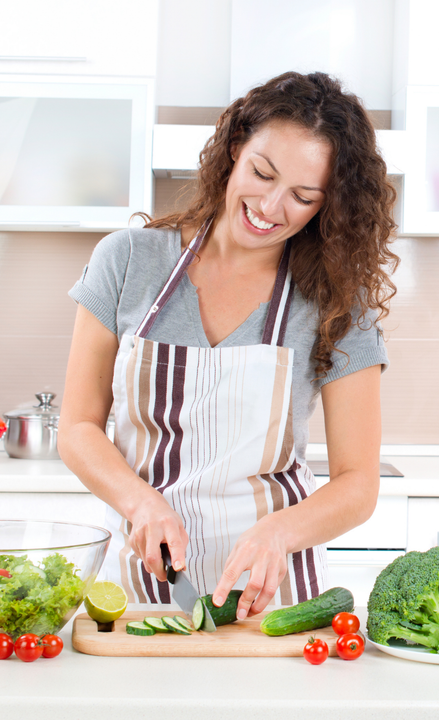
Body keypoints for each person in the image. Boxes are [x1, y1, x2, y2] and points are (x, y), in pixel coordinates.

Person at [58, 71, 399, 620]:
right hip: (138, 589)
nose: (270, 206)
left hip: (275, 604)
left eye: (303, 196)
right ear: (236, 148)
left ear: (326, 206)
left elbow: (358, 483)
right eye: (262, 173)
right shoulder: (126, 261)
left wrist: (279, 533)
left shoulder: (335, 302)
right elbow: (76, 429)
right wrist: (140, 502)